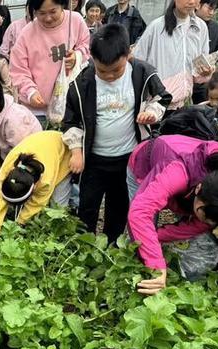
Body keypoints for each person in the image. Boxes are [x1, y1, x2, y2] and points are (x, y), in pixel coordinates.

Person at [63, 24, 171, 243]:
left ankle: (112, 242)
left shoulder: (142, 73)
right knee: (88, 205)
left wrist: (151, 112)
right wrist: (76, 151)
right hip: (94, 159)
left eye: (116, 70)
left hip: (128, 157)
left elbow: (162, 98)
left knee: (119, 204)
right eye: (102, 71)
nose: (110, 76)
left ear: (128, 54)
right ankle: (84, 246)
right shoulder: (81, 84)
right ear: (92, 58)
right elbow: (71, 120)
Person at [127, 135, 218, 294]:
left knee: (150, 237)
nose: (207, 223)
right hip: (145, 164)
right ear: (198, 189)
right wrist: (156, 265)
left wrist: (156, 237)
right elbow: (140, 212)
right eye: (205, 217)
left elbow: (199, 224)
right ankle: (136, 274)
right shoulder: (177, 171)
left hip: (188, 190)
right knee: (141, 231)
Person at [10, 0, 90, 121]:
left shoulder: (75, 21)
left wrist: (77, 56)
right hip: (38, 110)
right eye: (41, 13)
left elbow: (86, 46)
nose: (48, 18)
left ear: (62, 5)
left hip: (71, 105)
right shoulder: (26, 34)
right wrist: (30, 92)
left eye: (53, 12)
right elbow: (18, 70)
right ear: (33, 11)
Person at [133, 0, 211, 111]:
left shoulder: (200, 28)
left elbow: (198, 70)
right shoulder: (157, 27)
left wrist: (205, 72)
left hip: (183, 104)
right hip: (155, 106)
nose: (192, 2)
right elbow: (137, 62)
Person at [0, 131, 72, 233]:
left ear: (33, 187)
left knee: (58, 207)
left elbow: (37, 202)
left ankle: (58, 234)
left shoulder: (46, 180)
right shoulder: (9, 165)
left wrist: (20, 223)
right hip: (42, 144)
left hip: (66, 151)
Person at [192, 0, 218, 103]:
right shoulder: (184, 24)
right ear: (198, 5)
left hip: (202, 79)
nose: (212, 13)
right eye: (209, 8)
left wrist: (216, 56)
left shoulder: (215, 28)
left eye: (215, 10)